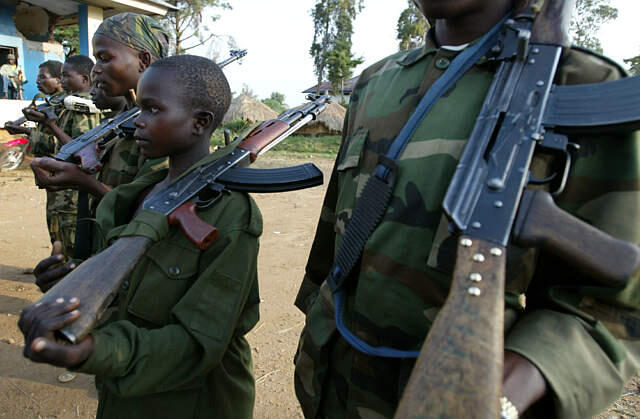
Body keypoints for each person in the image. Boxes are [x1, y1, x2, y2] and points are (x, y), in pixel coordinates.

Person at [293, 0, 640, 418]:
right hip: (334, 382)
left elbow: (611, 310)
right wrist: (316, 314)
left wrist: (508, 389)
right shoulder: (375, 81)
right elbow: (335, 231)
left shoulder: (578, 81)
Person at [19, 55, 261, 419]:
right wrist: (74, 283)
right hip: (125, 396)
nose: (139, 123)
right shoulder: (140, 192)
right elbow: (126, 283)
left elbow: (199, 342)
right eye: (138, 109)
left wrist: (93, 351)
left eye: (152, 110)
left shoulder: (230, 212)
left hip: (193, 402)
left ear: (200, 123)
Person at [30, 12, 169, 205]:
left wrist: (84, 182)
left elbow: (151, 210)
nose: (95, 70)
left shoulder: (164, 126)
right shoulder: (123, 118)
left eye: (105, 58)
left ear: (143, 61)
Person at [22, 55, 104, 260]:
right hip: (60, 186)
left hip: (71, 192)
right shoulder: (68, 105)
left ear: (85, 79)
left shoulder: (82, 108)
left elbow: (81, 153)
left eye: (67, 76)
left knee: (71, 243)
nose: (62, 80)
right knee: (59, 235)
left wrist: (48, 126)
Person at [4, 60, 64, 156]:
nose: (37, 81)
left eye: (42, 77)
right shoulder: (50, 104)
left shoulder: (65, 106)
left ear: (58, 80)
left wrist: (27, 131)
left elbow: (61, 144)